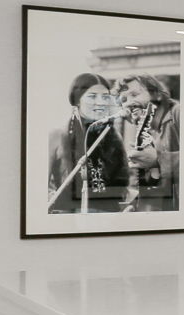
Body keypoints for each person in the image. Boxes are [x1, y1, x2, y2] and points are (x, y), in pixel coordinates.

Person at [46, 73, 127, 214]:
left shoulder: (114, 137)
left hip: (109, 219)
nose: (101, 103)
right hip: (69, 218)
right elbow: (39, 186)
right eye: (92, 96)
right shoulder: (57, 135)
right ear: (77, 100)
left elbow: (124, 183)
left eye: (105, 97)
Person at [112, 73, 179, 212]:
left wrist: (158, 160)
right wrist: (134, 206)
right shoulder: (147, 133)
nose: (128, 103)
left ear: (157, 95)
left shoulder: (179, 113)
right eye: (124, 100)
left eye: (134, 94)